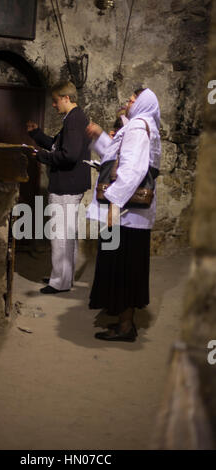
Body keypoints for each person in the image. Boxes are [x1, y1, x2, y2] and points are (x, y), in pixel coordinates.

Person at [86, 87, 161, 341]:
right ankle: (122, 319)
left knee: (125, 267)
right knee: (122, 266)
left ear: (143, 103)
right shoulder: (138, 125)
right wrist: (100, 137)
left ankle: (126, 327)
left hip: (126, 213)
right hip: (130, 214)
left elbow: (133, 169)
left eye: (133, 99)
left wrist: (114, 202)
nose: (128, 102)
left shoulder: (139, 126)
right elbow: (117, 156)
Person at [27, 80, 91, 294]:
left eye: (55, 101)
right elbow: (59, 145)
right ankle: (64, 277)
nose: (54, 105)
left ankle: (59, 282)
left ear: (66, 98)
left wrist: (41, 157)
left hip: (66, 184)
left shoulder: (73, 121)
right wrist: (37, 135)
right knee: (67, 234)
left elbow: (69, 155)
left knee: (60, 234)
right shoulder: (75, 118)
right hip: (71, 184)